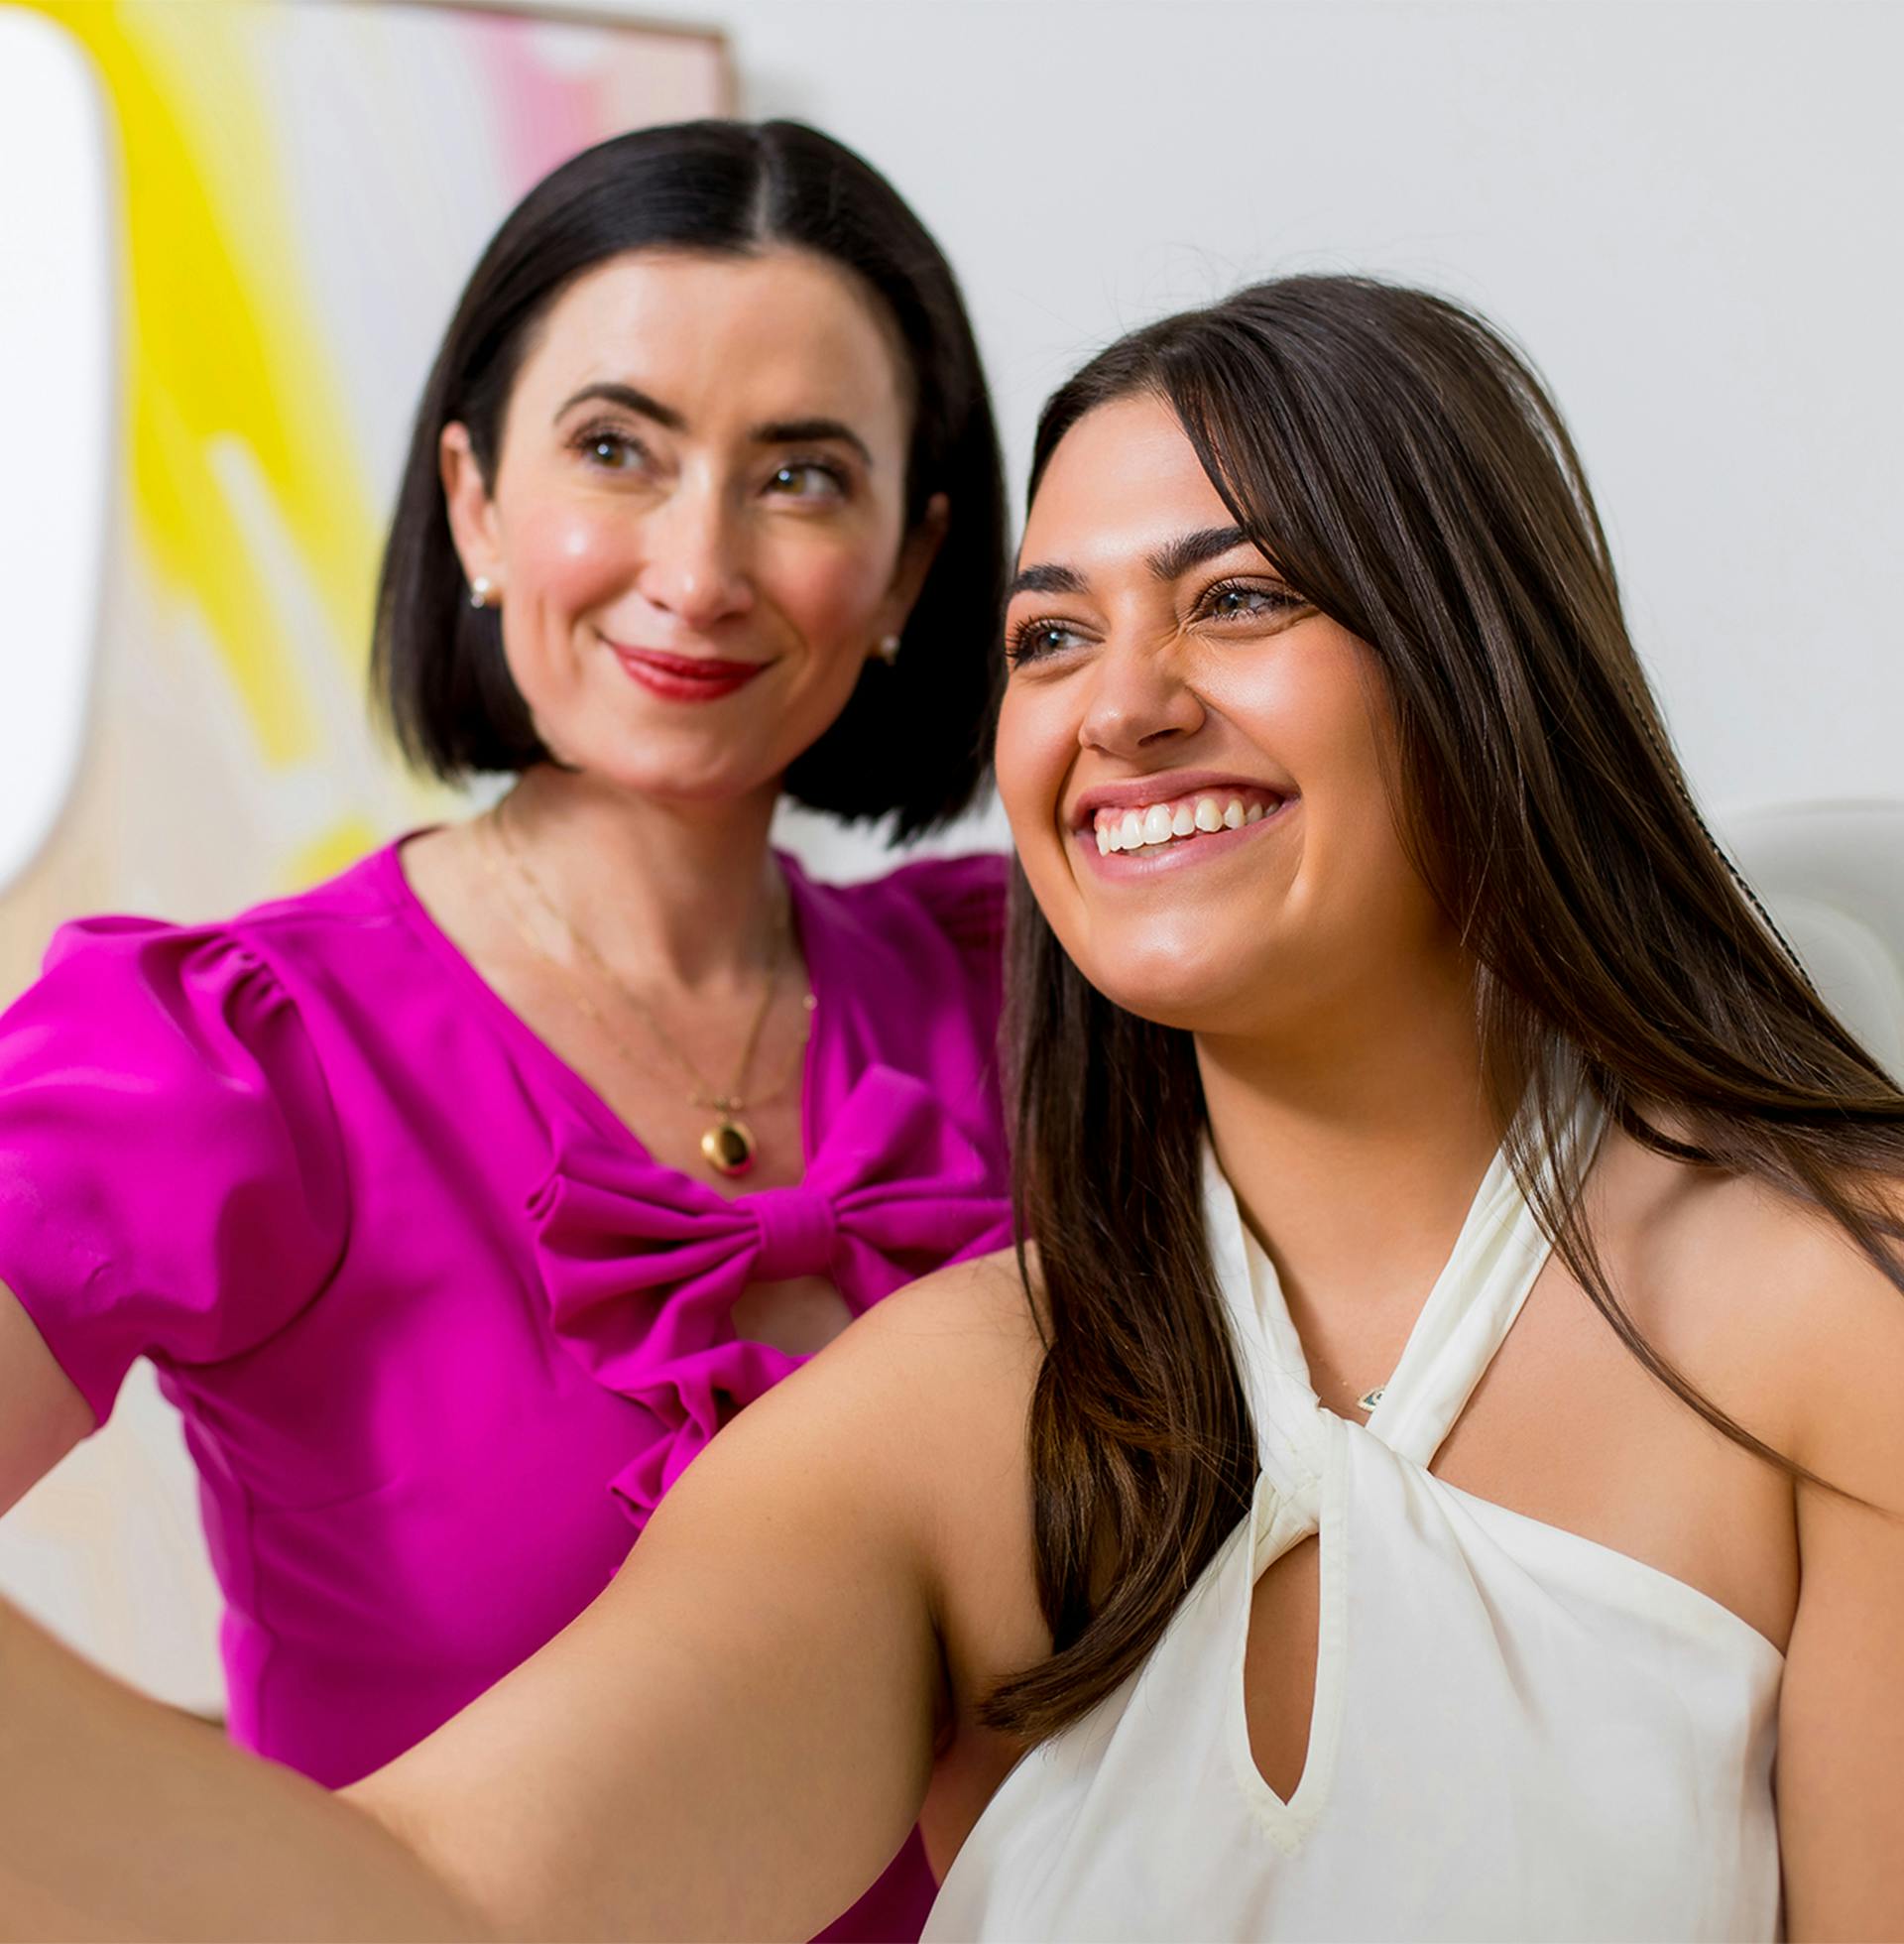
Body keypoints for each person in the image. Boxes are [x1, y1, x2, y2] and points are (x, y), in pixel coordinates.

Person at [5, 274, 1903, 1942]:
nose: (1122, 709)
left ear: (1486, 664)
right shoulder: (958, 1408)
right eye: (1053, 636)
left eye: (1237, 599)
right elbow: (433, 1915)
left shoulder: (1836, 1310)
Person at [0, 119, 1013, 1941]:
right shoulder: (226, 1056)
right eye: (616, 448)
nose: (698, 567)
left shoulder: (1035, 1000)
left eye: (800, 476)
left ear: (912, 564)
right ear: (472, 499)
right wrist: (257, 1854)